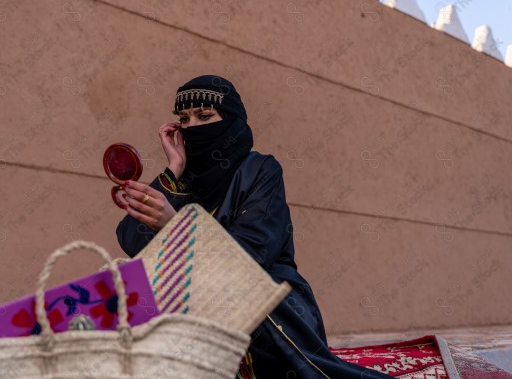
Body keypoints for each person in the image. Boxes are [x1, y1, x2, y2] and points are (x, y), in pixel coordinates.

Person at [116, 75, 391, 379]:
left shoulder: (260, 169)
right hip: (189, 298)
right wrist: (173, 170)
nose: (192, 127)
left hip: (264, 302)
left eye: (205, 116)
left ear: (231, 121)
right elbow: (131, 240)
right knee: (120, 285)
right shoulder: (182, 181)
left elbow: (252, 254)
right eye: (184, 118)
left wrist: (174, 225)